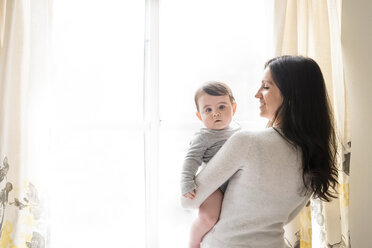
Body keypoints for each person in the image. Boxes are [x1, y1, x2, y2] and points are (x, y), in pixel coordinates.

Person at [181, 55, 339, 248]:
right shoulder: (314, 155)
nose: (257, 94)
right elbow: (287, 216)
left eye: (266, 86)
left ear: (291, 94)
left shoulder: (247, 142)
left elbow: (188, 201)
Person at [180, 81, 241, 248]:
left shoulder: (239, 132)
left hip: (234, 183)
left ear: (233, 109)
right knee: (209, 217)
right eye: (208, 110)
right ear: (200, 116)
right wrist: (186, 182)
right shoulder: (204, 136)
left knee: (230, 218)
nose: (215, 113)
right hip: (213, 186)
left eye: (222, 107)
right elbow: (191, 159)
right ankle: (193, 242)